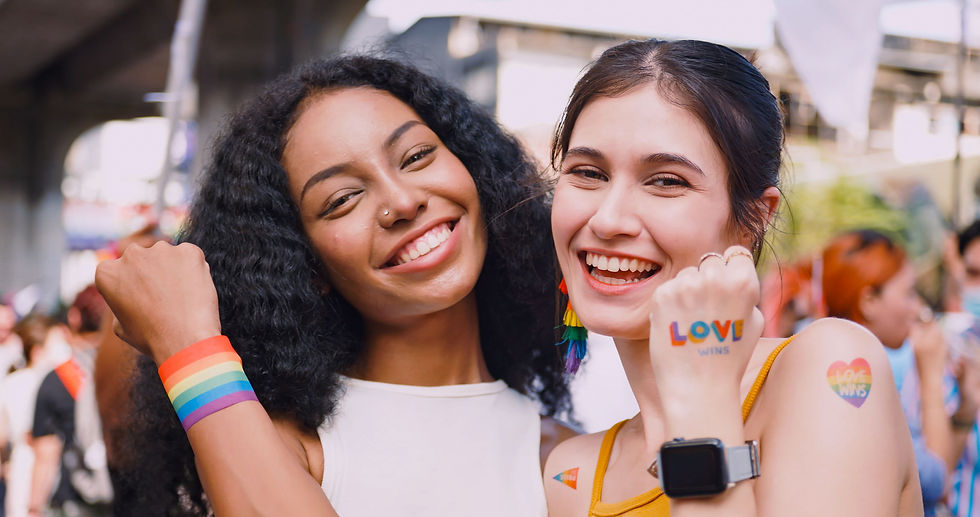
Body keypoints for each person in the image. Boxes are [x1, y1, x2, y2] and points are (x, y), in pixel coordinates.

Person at [95, 54, 572, 516]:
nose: (402, 201)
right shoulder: (277, 444)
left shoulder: (566, 460)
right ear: (308, 266)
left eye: (418, 155)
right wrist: (187, 344)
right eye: (342, 199)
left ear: (474, 169)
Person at [543, 39, 921, 516]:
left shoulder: (833, 367)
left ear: (753, 220)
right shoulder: (570, 474)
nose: (607, 219)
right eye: (588, 173)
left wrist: (702, 399)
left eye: (666, 180)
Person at [28, 286, 112, 517]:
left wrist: (34, 507)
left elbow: (46, 456)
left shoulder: (55, 381)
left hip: (76, 500)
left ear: (74, 318)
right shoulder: (130, 374)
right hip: (129, 498)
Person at [1, 315, 55, 517]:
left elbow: (2, 434)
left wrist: (5, 461)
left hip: (20, 461)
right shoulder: (49, 382)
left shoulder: (11, 382)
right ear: (38, 350)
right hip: (46, 461)